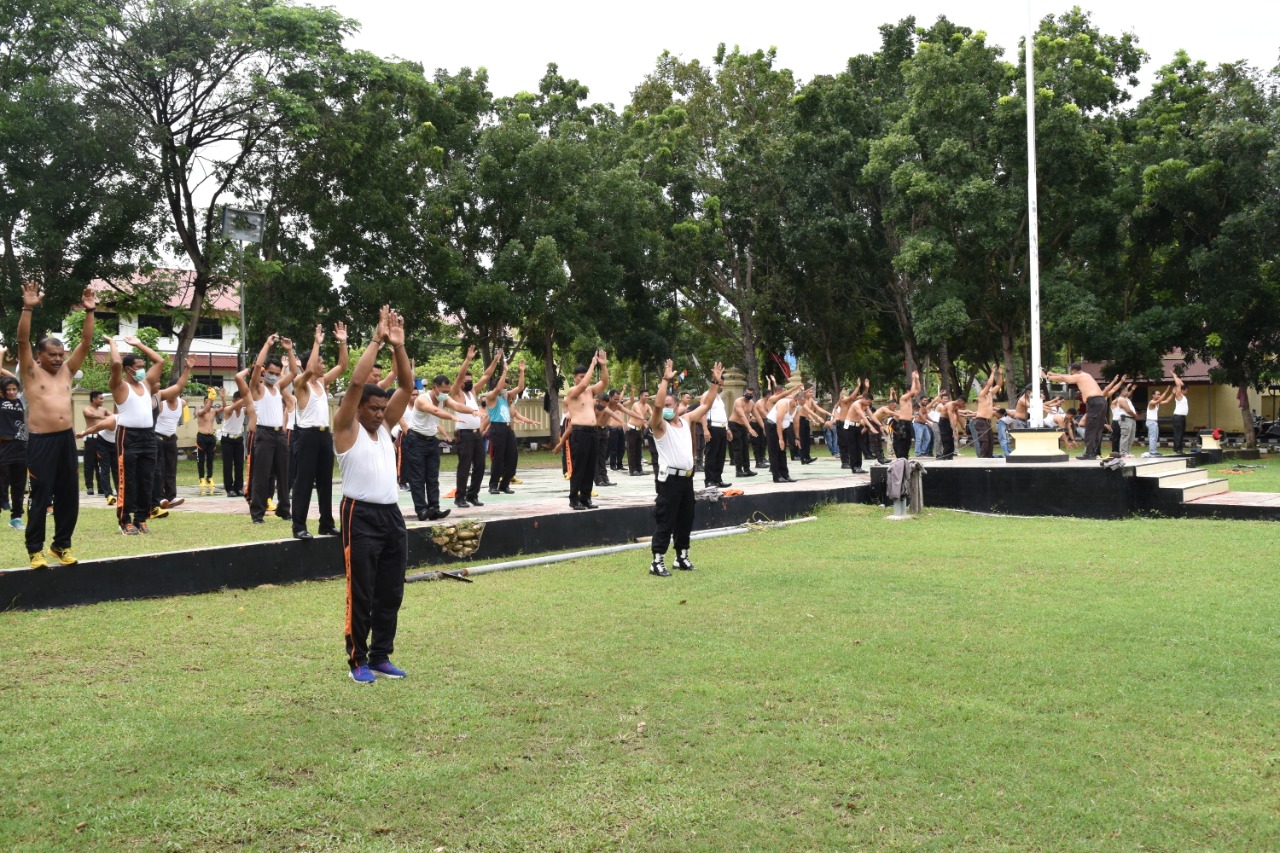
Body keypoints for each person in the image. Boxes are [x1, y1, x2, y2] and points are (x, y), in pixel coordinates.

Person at [334, 306, 415, 684]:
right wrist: (376, 340)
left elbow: (407, 388)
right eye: (374, 408)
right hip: (359, 515)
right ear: (359, 408)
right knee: (361, 591)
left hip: (391, 516)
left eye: (384, 409)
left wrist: (399, 346)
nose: (380, 414)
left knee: (391, 591)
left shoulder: (384, 428)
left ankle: (382, 656)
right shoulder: (346, 429)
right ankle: (358, 661)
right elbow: (354, 384)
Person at [17, 283, 95, 566]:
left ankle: (61, 546)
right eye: (53, 354)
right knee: (40, 497)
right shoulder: (30, 371)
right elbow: (23, 341)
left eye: (61, 354)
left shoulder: (67, 372)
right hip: (40, 442)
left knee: (68, 496)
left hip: (65, 440)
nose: (59, 358)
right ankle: (35, 549)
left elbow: (86, 343)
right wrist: (28, 308)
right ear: (40, 356)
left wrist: (90, 311)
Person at [647, 360, 722, 577]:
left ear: (680, 405)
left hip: (687, 480)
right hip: (669, 480)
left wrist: (715, 383)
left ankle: (681, 557)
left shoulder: (687, 420)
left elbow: (706, 405)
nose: (667, 409)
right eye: (666, 406)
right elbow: (658, 405)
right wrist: (665, 379)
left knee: (686, 519)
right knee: (666, 520)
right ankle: (657, 561)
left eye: (672, 406)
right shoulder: (660, 426)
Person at [280, 323, 348, 539]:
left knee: (325, 481)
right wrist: (316, 343)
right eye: (320, 361)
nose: (323, 364)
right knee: (304, 482)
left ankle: (326, 523)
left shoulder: (323, 383)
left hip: (323, 435)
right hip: (306, 436)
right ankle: (299, 526)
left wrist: (343, 342)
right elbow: (307, 369)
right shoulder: (301, 383)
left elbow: (343, 365)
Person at [246, 334, 292, 524]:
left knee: (284, 474)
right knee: (261, 475)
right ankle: (257, 513)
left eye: (276, 373)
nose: (273, 376)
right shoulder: (258, 388)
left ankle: (284, 509)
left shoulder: (279, 387)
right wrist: (267, 343)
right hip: (263, 433)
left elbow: (295, 373)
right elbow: (257, 367)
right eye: (270, 372)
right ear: (265, 373)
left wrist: (289, 349)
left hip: (279, 434)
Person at [448, 346, 500, 510]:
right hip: (464, 434)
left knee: (480, 465)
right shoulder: (456, 393)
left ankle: (473, 495)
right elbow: (460, 377)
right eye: (466, 380)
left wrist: (496, 360)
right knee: (464, 466)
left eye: (470, 380)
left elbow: (486, 375)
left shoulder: (473, 392)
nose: (469, 382)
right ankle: (460, 497)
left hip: (477, 434)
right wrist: (468, 359)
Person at [404, 374, 461, 521]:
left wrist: (473, 411)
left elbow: (457, 405)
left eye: (447, 391)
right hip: (416, 440)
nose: (445, 394)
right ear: (434, 387)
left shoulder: (443, 399)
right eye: (443, 391)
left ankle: (434, 509)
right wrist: (452, 417)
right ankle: (422, 510)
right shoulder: (423, 399)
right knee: (417, 479)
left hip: (431, 442)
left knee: (432, 478)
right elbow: (435, 411)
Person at [564, 350, 609, 509]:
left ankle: (585, 498)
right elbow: (583, 385)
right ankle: (573, 499)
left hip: (592, 432)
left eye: (585, 375)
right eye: (580, 376)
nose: (584, 379)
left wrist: (603, 366)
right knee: (580, 467)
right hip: (579, 432)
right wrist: (592, 365)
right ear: (575, 378)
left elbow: (604, 383)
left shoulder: (590, 392)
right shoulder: (572, 392)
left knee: (591, 467)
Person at [150, 360, 192, 513]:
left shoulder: (182, 403)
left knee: (171, 468)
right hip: (158, 437)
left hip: (171, 438)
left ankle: (171, 495)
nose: (175, 394)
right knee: (159, 468)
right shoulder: (161, 403)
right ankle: (161, 496)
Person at [1043, 364, 1107, 460]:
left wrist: (1046, 377)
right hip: (1101, 401)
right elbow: (1068, 376)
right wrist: (1054, 373)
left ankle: (1088, 453)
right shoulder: (1086, 375)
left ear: (1073, 370)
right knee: (1097, 428)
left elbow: (1064, 378)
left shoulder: (1079, 376)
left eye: (1071, 372)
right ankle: (1094, 452)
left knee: (1090, 428)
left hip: (1094, 402)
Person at [484, 357, 525, 495]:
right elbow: (497, 389)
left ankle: (504, 484)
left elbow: (520, 388)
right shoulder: (490, 396)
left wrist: (521, 372)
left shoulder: (506, 396)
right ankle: (493, 485)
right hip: (497, 428)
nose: (506, 390)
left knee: (512, 457)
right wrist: (504, 372)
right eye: (504, 387)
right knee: (498, 458)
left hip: (508, 428)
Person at [0, 376, 27, 531]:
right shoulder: (1, 401)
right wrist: (2, 355)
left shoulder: (21, 401)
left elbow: (25, 376)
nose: (11, 392)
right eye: (8, 389)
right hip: (4, 445)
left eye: (14, 389)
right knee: (2, 481)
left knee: (19, 485)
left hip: (21, 446)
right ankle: (3, 500)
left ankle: (16, 518)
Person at [81, 389, 114, 500]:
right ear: (94, 399)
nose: (102, 400)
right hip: (91, 438)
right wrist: (107, 418)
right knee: (90, 463)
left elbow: (113, 416)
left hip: (102, 438)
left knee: (102, 463)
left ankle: (101, 487)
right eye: (100, 398)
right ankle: (89, 486)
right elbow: (92, 416)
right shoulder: (87, 409)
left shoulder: (104, 409)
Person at [219, 388, 246, 496]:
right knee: (228, 465)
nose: (242, 402)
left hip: (238, 439)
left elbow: (253, 406)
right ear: (234, 400)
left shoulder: (244, 410)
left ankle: (239, 487)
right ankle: (229, 488)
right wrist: (246, 394)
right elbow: (233, 407)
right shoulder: (228, 410)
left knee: (239, 464)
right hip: (227, 440)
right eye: (240, 400)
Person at [728, 387, 759, 478]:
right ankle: (738, 470)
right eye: (747, 393)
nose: (749, 395)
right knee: (738, 448)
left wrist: (764, 427)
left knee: (745, 447)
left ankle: (747, 469)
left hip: (743, 426)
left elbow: (757, 415)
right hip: (734, 425)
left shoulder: (751, 403)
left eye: (751, 394)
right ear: (744, 393)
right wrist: (749, 428)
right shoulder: (738, 401)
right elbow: (742, 415)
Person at [193, 391, 219, 494]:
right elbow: (206, 409)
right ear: (204, 402)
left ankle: (209, 477)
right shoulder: (199, 411)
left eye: (210, 401)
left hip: (211, 437)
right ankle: (201, 478)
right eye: (207, 401)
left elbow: (224, 409)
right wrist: (211, 399)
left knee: (210, 459)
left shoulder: (213, 411)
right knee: (201, 459)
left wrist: (223, 398)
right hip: (201, 437)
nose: (209, 403)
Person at [972, 367, 1000, 458]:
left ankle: (988, 459)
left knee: (990, 443)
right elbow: (989, 384)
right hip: (980, 421)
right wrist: (992, 372)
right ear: (984, 386)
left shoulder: (990, 395)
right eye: (989, 386)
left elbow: (999, 385)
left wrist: (999, 374)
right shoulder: (982, 395)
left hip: (987, 422)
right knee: (984, 442)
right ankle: (982, 460)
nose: (991, 387)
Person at [893, 371, 921, 459]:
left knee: (908, 441)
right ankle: (900, 457)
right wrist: (913, 379)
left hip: (909, 422)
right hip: (903, 422)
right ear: (907, 391)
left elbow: (918, 390)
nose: (913, 393)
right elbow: (913, 391)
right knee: (902, 440)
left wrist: (917, 379)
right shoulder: (903, 398)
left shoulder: (910, 399)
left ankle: (905, 456)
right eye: (911, 392)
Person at [1143, 385, 1174, 457]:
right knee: (1153, 437)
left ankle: (1154, 451)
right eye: (1158, 394)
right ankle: (1152, 451)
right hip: (1151, 422)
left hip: (1154, 422)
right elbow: (1160, 400)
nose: (1159, 395)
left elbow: (1167, 401)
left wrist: (1172, 393)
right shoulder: (1151, 402)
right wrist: (1166, 391)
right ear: (1153, 395)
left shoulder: (1157, 403)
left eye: (1160, 394)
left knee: (1155, 437)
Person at [1171, 373, 1189, 453]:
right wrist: (1174, 377)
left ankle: (1179, 448)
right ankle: (1177, 449)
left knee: (1181, 433)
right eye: (1186, 390)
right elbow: (1179, 385)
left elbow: (1182, 384)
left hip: (1182, 417)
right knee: (1178, 433)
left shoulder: (1183, 396)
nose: (1187, 391)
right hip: (1178, 417)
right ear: (1182, 390)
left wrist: (1177, 376)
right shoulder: (1179, 395)